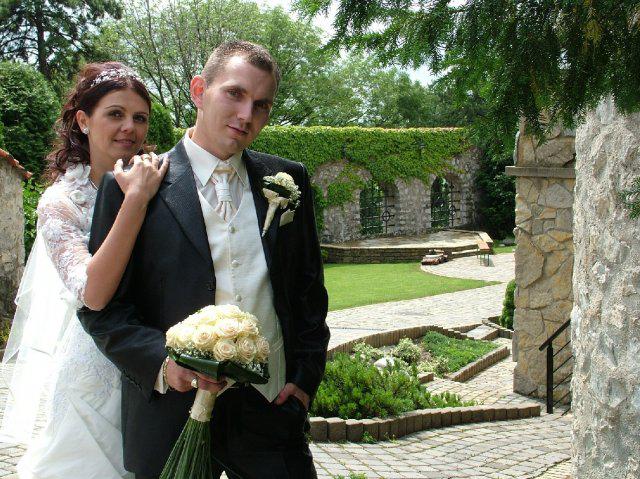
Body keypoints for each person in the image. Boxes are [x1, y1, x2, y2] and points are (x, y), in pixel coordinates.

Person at [79, 40, 330, 479]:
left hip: (271, 410)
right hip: (169, 418)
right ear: (199, 90)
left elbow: (309, 292)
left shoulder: (288, 180)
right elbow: (102, 313)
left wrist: (304, 380)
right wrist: (163, 366)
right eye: (234, 93)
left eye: (261, 104)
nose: (246, 115)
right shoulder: (130, 186)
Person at [0, 62, 168, 478]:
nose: (129, 127)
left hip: (161, 360)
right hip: (95, 370)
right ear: (83, 120)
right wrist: (135, 201)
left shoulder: (166, 183)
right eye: (115, 114)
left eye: (140, 117)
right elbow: (92, 293)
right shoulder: (60, 204)